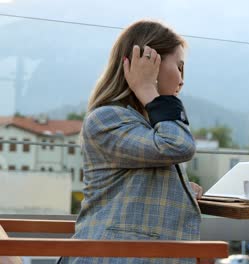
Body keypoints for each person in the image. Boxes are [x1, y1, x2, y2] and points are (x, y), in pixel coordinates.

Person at [60, 20, 203, 264]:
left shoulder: (144, 124)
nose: (182, 79)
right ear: (149, 62)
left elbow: (132, 182)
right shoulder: (106, 119)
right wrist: (148, 89)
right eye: (179, 67)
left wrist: (180, 190)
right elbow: (179, 146)